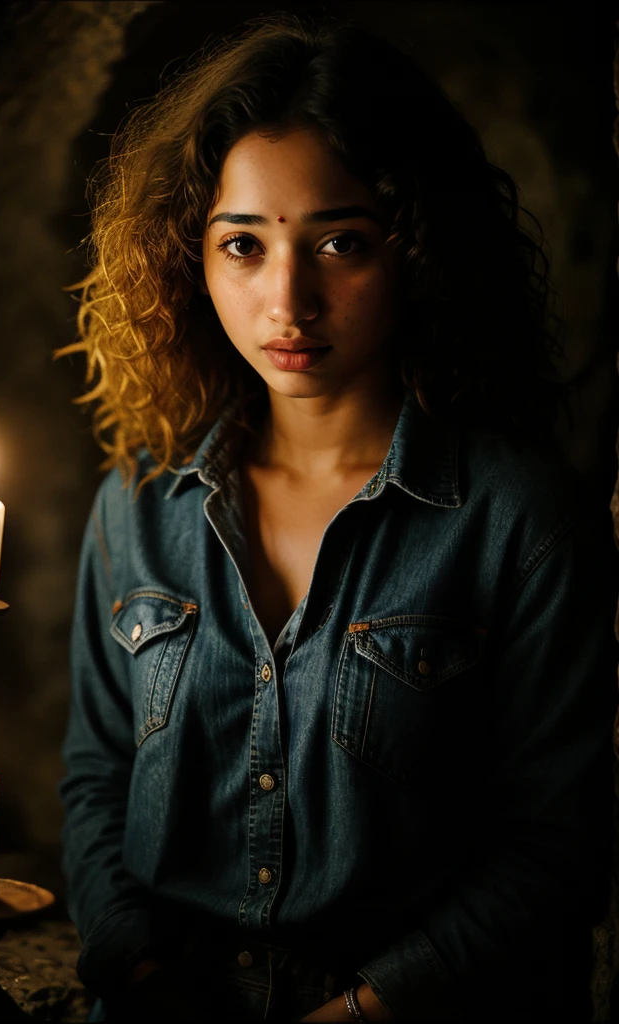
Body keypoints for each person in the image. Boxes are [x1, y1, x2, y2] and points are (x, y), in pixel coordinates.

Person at [56, 11, 617, 1022]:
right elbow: (95, 778)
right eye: (243, 244)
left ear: (417, 250)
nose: (288, 300)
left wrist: (361, 1011)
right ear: (191, 258)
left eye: (341, 242)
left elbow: (556, 842)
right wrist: (138, 977)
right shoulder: (138, 504)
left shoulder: (514, 518)